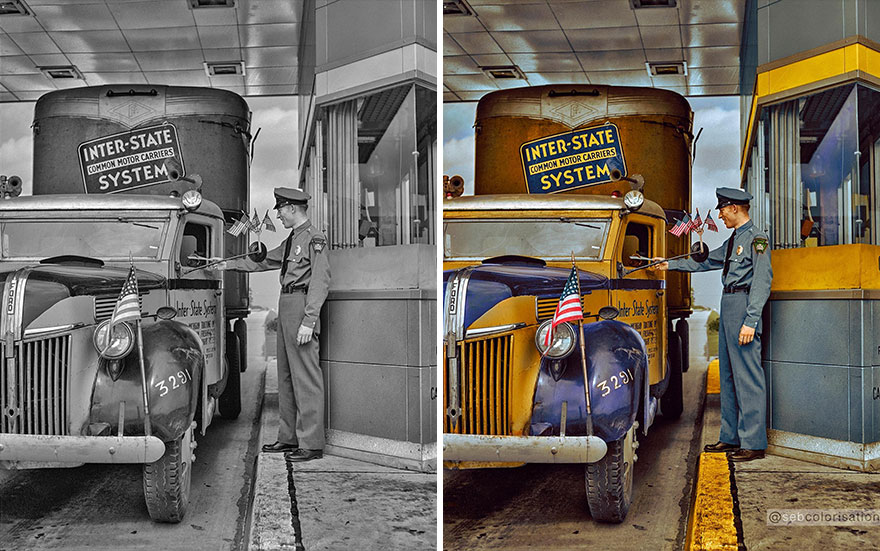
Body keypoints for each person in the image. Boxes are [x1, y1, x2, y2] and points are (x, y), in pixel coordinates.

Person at [652, 188, 772, 462]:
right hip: (728, 305)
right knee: (728, 378)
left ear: (735, 208)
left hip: (743, 308)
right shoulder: (734, 241)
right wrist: (669, 265)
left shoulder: (757, 239)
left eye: (722, 209)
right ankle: (729, 437)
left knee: (748, 378)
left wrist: (750, 321)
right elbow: (705, 260)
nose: (719, 214)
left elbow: (762, 282)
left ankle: (753, 443)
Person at [214, 188, 331, 462]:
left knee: (306, 379)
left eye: (280, 209)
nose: (277, 214)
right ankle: (288, 437)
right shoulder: (293, 240)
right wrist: (225, 265)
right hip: (288, 303)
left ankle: (311, 443)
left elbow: (320, 281)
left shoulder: (315, 239)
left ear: (292, 208)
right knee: (287, 378)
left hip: (302, 307)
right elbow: (264, 260)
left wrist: (309, 320)